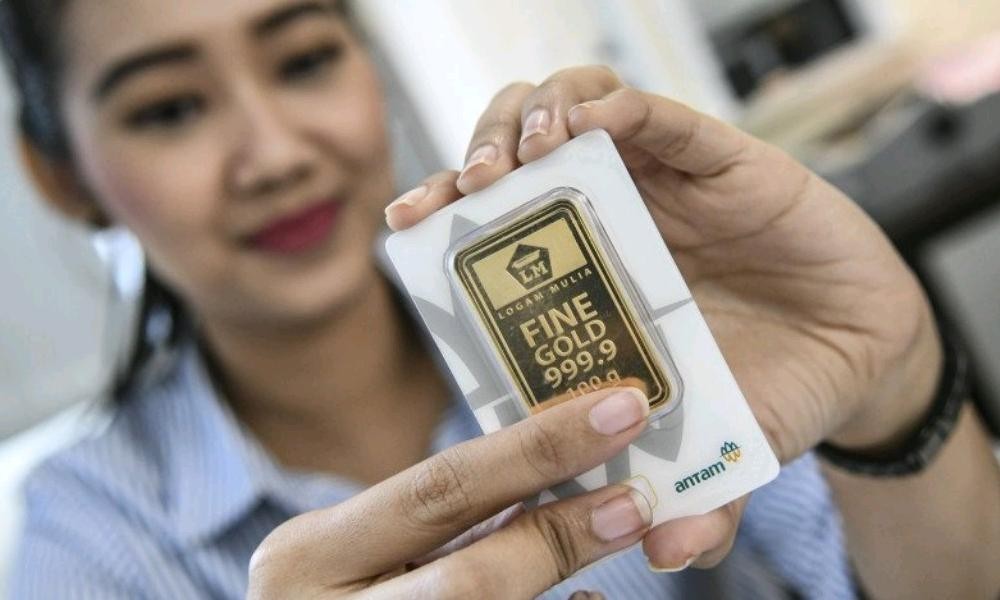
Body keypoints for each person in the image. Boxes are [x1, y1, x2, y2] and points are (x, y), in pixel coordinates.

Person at [1, 1, 997, 598]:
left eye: (303, 59)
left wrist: (896, 386)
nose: (274, 154)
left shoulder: (610, 304)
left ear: (368, 66)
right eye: (169, 108)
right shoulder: (90, 541)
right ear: (60, 173)